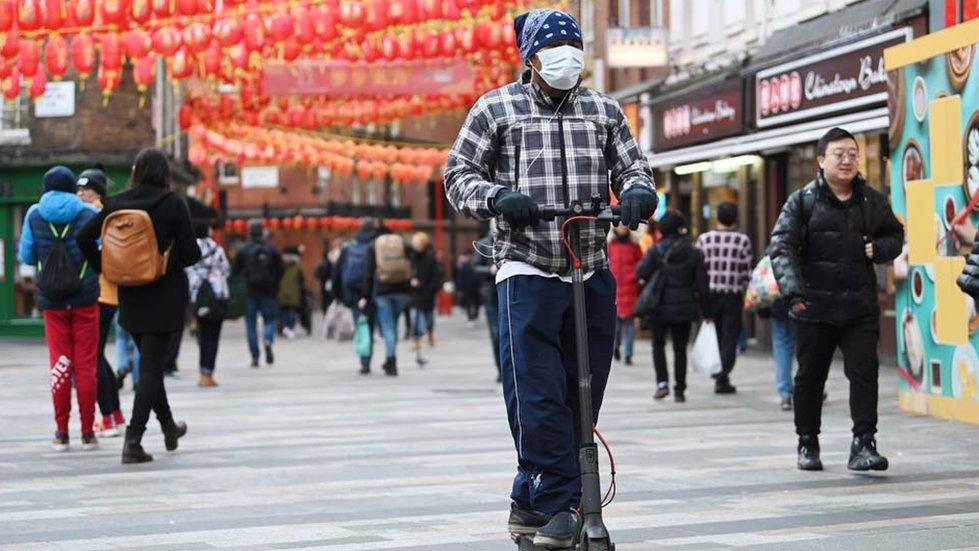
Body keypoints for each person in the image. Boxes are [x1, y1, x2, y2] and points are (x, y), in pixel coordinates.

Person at [443, 8, 657, 547]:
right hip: (527, 265)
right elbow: (457, 175)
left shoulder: (605, 109)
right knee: (537, 392)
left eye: (572, 46)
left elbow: (634, 167)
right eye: (553, 48)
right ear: (531, 57)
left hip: (590, 266)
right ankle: (563, 500)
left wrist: (635, 191)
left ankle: (528, 496)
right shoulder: (496, 109)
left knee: (584, 388)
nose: (566, 58)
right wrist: (497, 197)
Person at [769, 127, 904, 472]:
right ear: (821, 160)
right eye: (839, 154)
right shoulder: (803, 201)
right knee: (810, 378)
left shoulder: (871, 200)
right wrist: (794, 291)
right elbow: (781, 245)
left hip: (860, 307)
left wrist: (881, 249)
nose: (847, 161)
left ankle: (864, 444)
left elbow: (895, 234)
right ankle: (807, 442)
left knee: (865, 374)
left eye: (852, 154)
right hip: (813, 306)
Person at [78, 148, 202, 464]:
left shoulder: (116, 203)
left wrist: (105, 267)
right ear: (165, 174)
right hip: (165, 295)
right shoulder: (173, 203)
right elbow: (191, 254)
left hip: (130, 294)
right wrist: (165, 259)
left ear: (135, 172)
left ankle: (169, 425)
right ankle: (133, 440)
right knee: (149, 367)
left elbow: (82, 237)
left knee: (150, 366)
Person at [18, 166, 101, 452]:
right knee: (86, 365)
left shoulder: (34, 214)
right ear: (71, 187)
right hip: (85, 297)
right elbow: (100, 252)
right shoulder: (88, 213)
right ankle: (88, 432)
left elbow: (26, 255)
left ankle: (61, 432)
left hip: (52, 301)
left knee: (60, 363)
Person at [636, 211, 709, 402]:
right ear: (681, 229)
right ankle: (679, 389)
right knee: (680, 347)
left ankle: (662, 383)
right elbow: (702, 285)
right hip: (684, 306)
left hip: (659, 305)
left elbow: (641, 271)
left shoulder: (655, 250)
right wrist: (706, 311)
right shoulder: (694, 253)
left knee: (658, 344)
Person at [76, 166, 127, 437]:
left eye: (86, 188)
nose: (81, 193)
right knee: (98, 355)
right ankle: (115, 414)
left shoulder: (93, 215)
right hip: (110, 293)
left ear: (97, 191)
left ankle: (107, 417)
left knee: (91, 357)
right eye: (79, 189)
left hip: (99, 293)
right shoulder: (108, 212)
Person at [695, 201, 753, 394]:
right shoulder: (742, 240)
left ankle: (720, 374)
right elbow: (747, 272)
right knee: (730, 337)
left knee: (716, 335)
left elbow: (698, 270)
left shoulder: (704, 239)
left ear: (717, 217)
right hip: (733, 295)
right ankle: (722, 376)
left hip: (710, 296)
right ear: (735, 219)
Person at [358, 223, 411, 376]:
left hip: (382, 293)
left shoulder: (373, 246)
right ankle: (390, 359)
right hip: (401, 292)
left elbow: (368, 275)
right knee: (392, 327)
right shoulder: (400, 244)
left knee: (388, 328)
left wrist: (365, 296)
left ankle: (391, 361)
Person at [232, 220, 284, 367]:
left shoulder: (244, 249)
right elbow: (281, 269)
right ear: (262, 232)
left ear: (249, 232)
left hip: (251, 291)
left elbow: (234, 270)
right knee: (269, 320)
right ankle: (268, 339)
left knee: (251, 325)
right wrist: (275, 282)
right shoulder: (272, 248)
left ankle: (255, 357)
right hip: (269, 291)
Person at [186, 221, 231, 387]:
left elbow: (187, 270)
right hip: (217, 296)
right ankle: (208, 372)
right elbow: (226, 269)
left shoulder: (190, 250)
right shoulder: (217, 249)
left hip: (198, 297)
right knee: (214, 336)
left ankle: (202, 372)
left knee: (202, 335)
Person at [334, 219, 378, 374]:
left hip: (352, 294)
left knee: (360, 326)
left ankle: (364, 360)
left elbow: (337, 272)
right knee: (369, 327)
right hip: (371, 293)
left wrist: (339, 295)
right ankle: (367, 359)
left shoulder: (348, 247)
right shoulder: (375, 247)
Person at [608, 224, 642, 365]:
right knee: (615, 323)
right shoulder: (610, 245)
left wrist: (636, 277)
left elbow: (641, 263)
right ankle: (616, 346)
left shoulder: (634, 245)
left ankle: (628, 354)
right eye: (620, 225)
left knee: (629, 323)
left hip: (630, 287)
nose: (622, 228)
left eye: (624, 226)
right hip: (615, 287)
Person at [473, 223, 501, 382]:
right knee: (496, 334)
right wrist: (489, 270)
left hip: (506, 289)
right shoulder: (483, 244)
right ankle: (501, 369)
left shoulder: (511, 240)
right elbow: (475, 266)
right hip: (490, 292)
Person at [408, 232, 440, 361]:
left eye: (417, 242)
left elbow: (436, 277)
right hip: (415, 293)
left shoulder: (431, 257)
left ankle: (430, 332)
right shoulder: (411, 257)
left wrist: (429, 289)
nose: (415, 245)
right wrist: (411, 281)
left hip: (427, 293)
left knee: (429, 317)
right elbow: (408, 271)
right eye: (414, 242)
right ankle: (416, 339)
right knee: (414, 317)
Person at [765, 298, 797, 411]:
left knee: (781, 346)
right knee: (807, 347)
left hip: (778, 301)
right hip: (802, 302)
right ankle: (811, 387)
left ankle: (785, 392)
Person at [278, 246, 304, 340]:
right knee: (291, 312)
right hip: (294, 293)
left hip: (282, 292)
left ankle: (285, 327)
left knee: (284, 311)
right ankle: (289, 328)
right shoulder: (297, 268)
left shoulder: (280, 266)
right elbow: (301, 281)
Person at [455, 254, 481, 325]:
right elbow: (460, 278)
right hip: (467, 288)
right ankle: (470, 317)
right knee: (468, 303)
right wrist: (460, 289)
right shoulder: (464, 266)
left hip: (475, 288)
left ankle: (475, 316)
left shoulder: (475, 265)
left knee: (476, 303)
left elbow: (479, 277)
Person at [314, 241, 333, 317]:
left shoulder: (321, 264)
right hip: (330, 284)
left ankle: (325, 313)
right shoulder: (332, 263)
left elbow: (316, 274)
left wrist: (321, 277)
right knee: (329, 299)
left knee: (324, 300)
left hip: (323, 284)